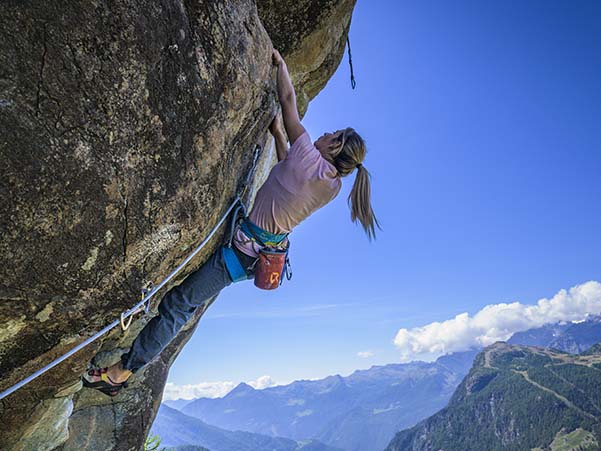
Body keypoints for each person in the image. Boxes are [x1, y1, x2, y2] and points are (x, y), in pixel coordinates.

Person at [82, 49, 379, 396]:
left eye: (333, 134)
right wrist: (279, 137)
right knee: (185, 304)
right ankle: (125, 368)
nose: (326, 132)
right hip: (260, 254)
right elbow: (288, 173)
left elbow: (287, 99)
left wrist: (281, 65)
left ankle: (120, 374)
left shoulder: (309, 158)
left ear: (334, 147)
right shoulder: (332, 185)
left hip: (239, 254)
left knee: (179, 305)